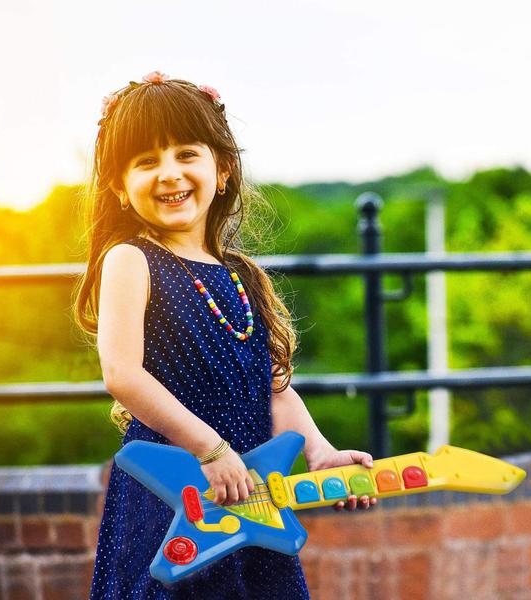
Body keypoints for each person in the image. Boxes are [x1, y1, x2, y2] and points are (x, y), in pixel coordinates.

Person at [74, 69, 377, 599]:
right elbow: (121, 374)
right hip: (174, 494)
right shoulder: (131, 260)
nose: (169, 173)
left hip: (251, 495)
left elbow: (273, 387)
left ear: (224, 169)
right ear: (120, 187)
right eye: (147, 162)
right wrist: (211, 451)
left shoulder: (242, 274)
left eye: (186, 153)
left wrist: (321, 452)